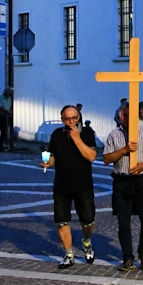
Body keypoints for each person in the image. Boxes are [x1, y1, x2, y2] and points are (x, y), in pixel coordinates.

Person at [103, 105, 143, 271]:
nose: (130, 119)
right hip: (122, 181)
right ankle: (127, 257)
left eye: (133, 116)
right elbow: (107, 158)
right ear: (121, 117)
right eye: (126, 116)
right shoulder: (114, 135)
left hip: (142, 180)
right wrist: (125, 150)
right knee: (123, 222)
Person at [45, 104, 97, 270]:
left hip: (83, 185)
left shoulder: (87, 133)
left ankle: (86, 242)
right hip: (62, 185)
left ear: (79, 118)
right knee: (61, 221)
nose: (71, 122)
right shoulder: (56, 135)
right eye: (67, 119)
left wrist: (76, 138)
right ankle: (69, 254)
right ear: (62, 119)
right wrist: (48, 162)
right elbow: (52, 156)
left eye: (74, 118)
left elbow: (91, 157)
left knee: (88, 221)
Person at [0, 87, 13, 151]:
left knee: (4, 132)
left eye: (10, 92)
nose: (10, 93)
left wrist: (9, 112)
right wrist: (8, 111)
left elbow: (10, 106)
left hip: (4, 116)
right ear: (5, 92)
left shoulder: (10, 98)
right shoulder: (0, 98)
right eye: (8, 92)